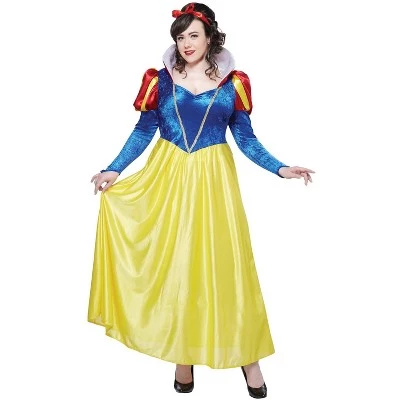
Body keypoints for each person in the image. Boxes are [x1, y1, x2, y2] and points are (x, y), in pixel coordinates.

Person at [88, 2, 315, 398]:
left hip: (214, 180)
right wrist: (114, 168)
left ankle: (248, 358)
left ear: (210, 37)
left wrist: (280, 168)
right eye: (180, 37)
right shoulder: (160, 80)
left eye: (193, 35)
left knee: (227, 267)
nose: (186, 43)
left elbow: (245, 137)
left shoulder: (233, 83)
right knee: (178, 266)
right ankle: (183, 354)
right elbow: (143, 130)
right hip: (168, 178)